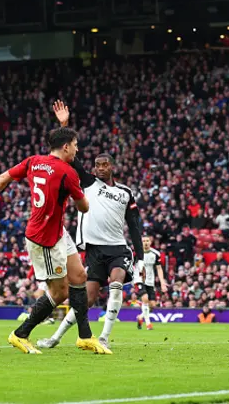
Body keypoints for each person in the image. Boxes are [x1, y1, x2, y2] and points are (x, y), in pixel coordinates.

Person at [0, 127, 110, 354]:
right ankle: (20, 334)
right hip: (44, 238)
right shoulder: (68, 172)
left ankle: (85, 337)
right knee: (60, 292)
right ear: (66, 147)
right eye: (75, 145)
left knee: (79, 276)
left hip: (57, 231)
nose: (77, 149)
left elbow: (4, 177)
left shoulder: (34, 161)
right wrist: (79, 196)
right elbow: (83, 207)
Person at [38, 101, 144, 350]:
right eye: (97, 165)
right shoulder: (87, 182)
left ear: (112, 167)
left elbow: (135, 225)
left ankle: (104, 337)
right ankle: (55, 337)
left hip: (118, 249)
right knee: (86, 298)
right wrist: (64, 125)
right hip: (95, 250)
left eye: (104, 164)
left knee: (116, 284)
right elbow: (69, 158)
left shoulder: (125, 192)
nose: (100, 168)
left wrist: (139, 257)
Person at [134, 236, 168, 330]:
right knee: (145, 298)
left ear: (150, 242)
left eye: (147, 241)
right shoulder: (137, 253)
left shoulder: (155, 254)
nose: (145, 242)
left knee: (152, 305)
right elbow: (131, 266)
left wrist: (162, 283)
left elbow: (159, 268)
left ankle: (141, 318)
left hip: (150, 281)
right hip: (139, 279)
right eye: (143, 241)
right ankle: (148, 324)